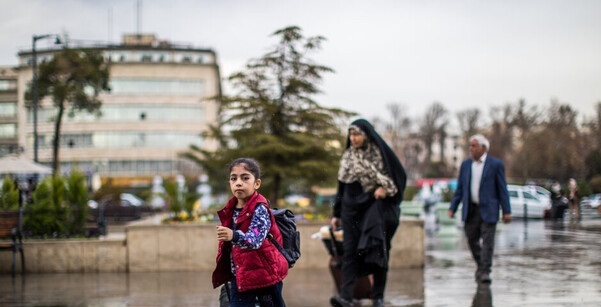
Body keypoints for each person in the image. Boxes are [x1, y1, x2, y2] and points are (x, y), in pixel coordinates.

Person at [330, 119, 407, 307]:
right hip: (350, 210)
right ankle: (346, 297)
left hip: (373, 210)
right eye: (351, 134)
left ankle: (378, 296)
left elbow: (397, 177)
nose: (353, 138)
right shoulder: (348, 157)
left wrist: (385, 189)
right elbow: (341, 187)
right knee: (350, 253)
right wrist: (336, 214)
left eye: (357, 134)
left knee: (379, 251)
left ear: (366, 135)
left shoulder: (379, 155)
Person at [212, 158, 288, 307]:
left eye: (245, 178)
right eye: (233, 178)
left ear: (256, 183)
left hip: (264, 277)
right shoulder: (230, 208)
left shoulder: (260, 208)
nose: (238, 182)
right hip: (241, 277)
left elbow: (255, 240)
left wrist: (233, 235)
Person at [448, 134, 511, 284]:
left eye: (474, 145)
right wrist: (453, 207)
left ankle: (485, 271)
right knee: (471, 239)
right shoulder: (465, 165)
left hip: (489, 210)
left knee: (488, 242)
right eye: (470, 145)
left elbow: (502, 189)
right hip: (471, 210)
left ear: (483, 148)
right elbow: (460, 189)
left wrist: (507, 211)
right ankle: (481, 266)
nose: (471, 148)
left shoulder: (495, 165)